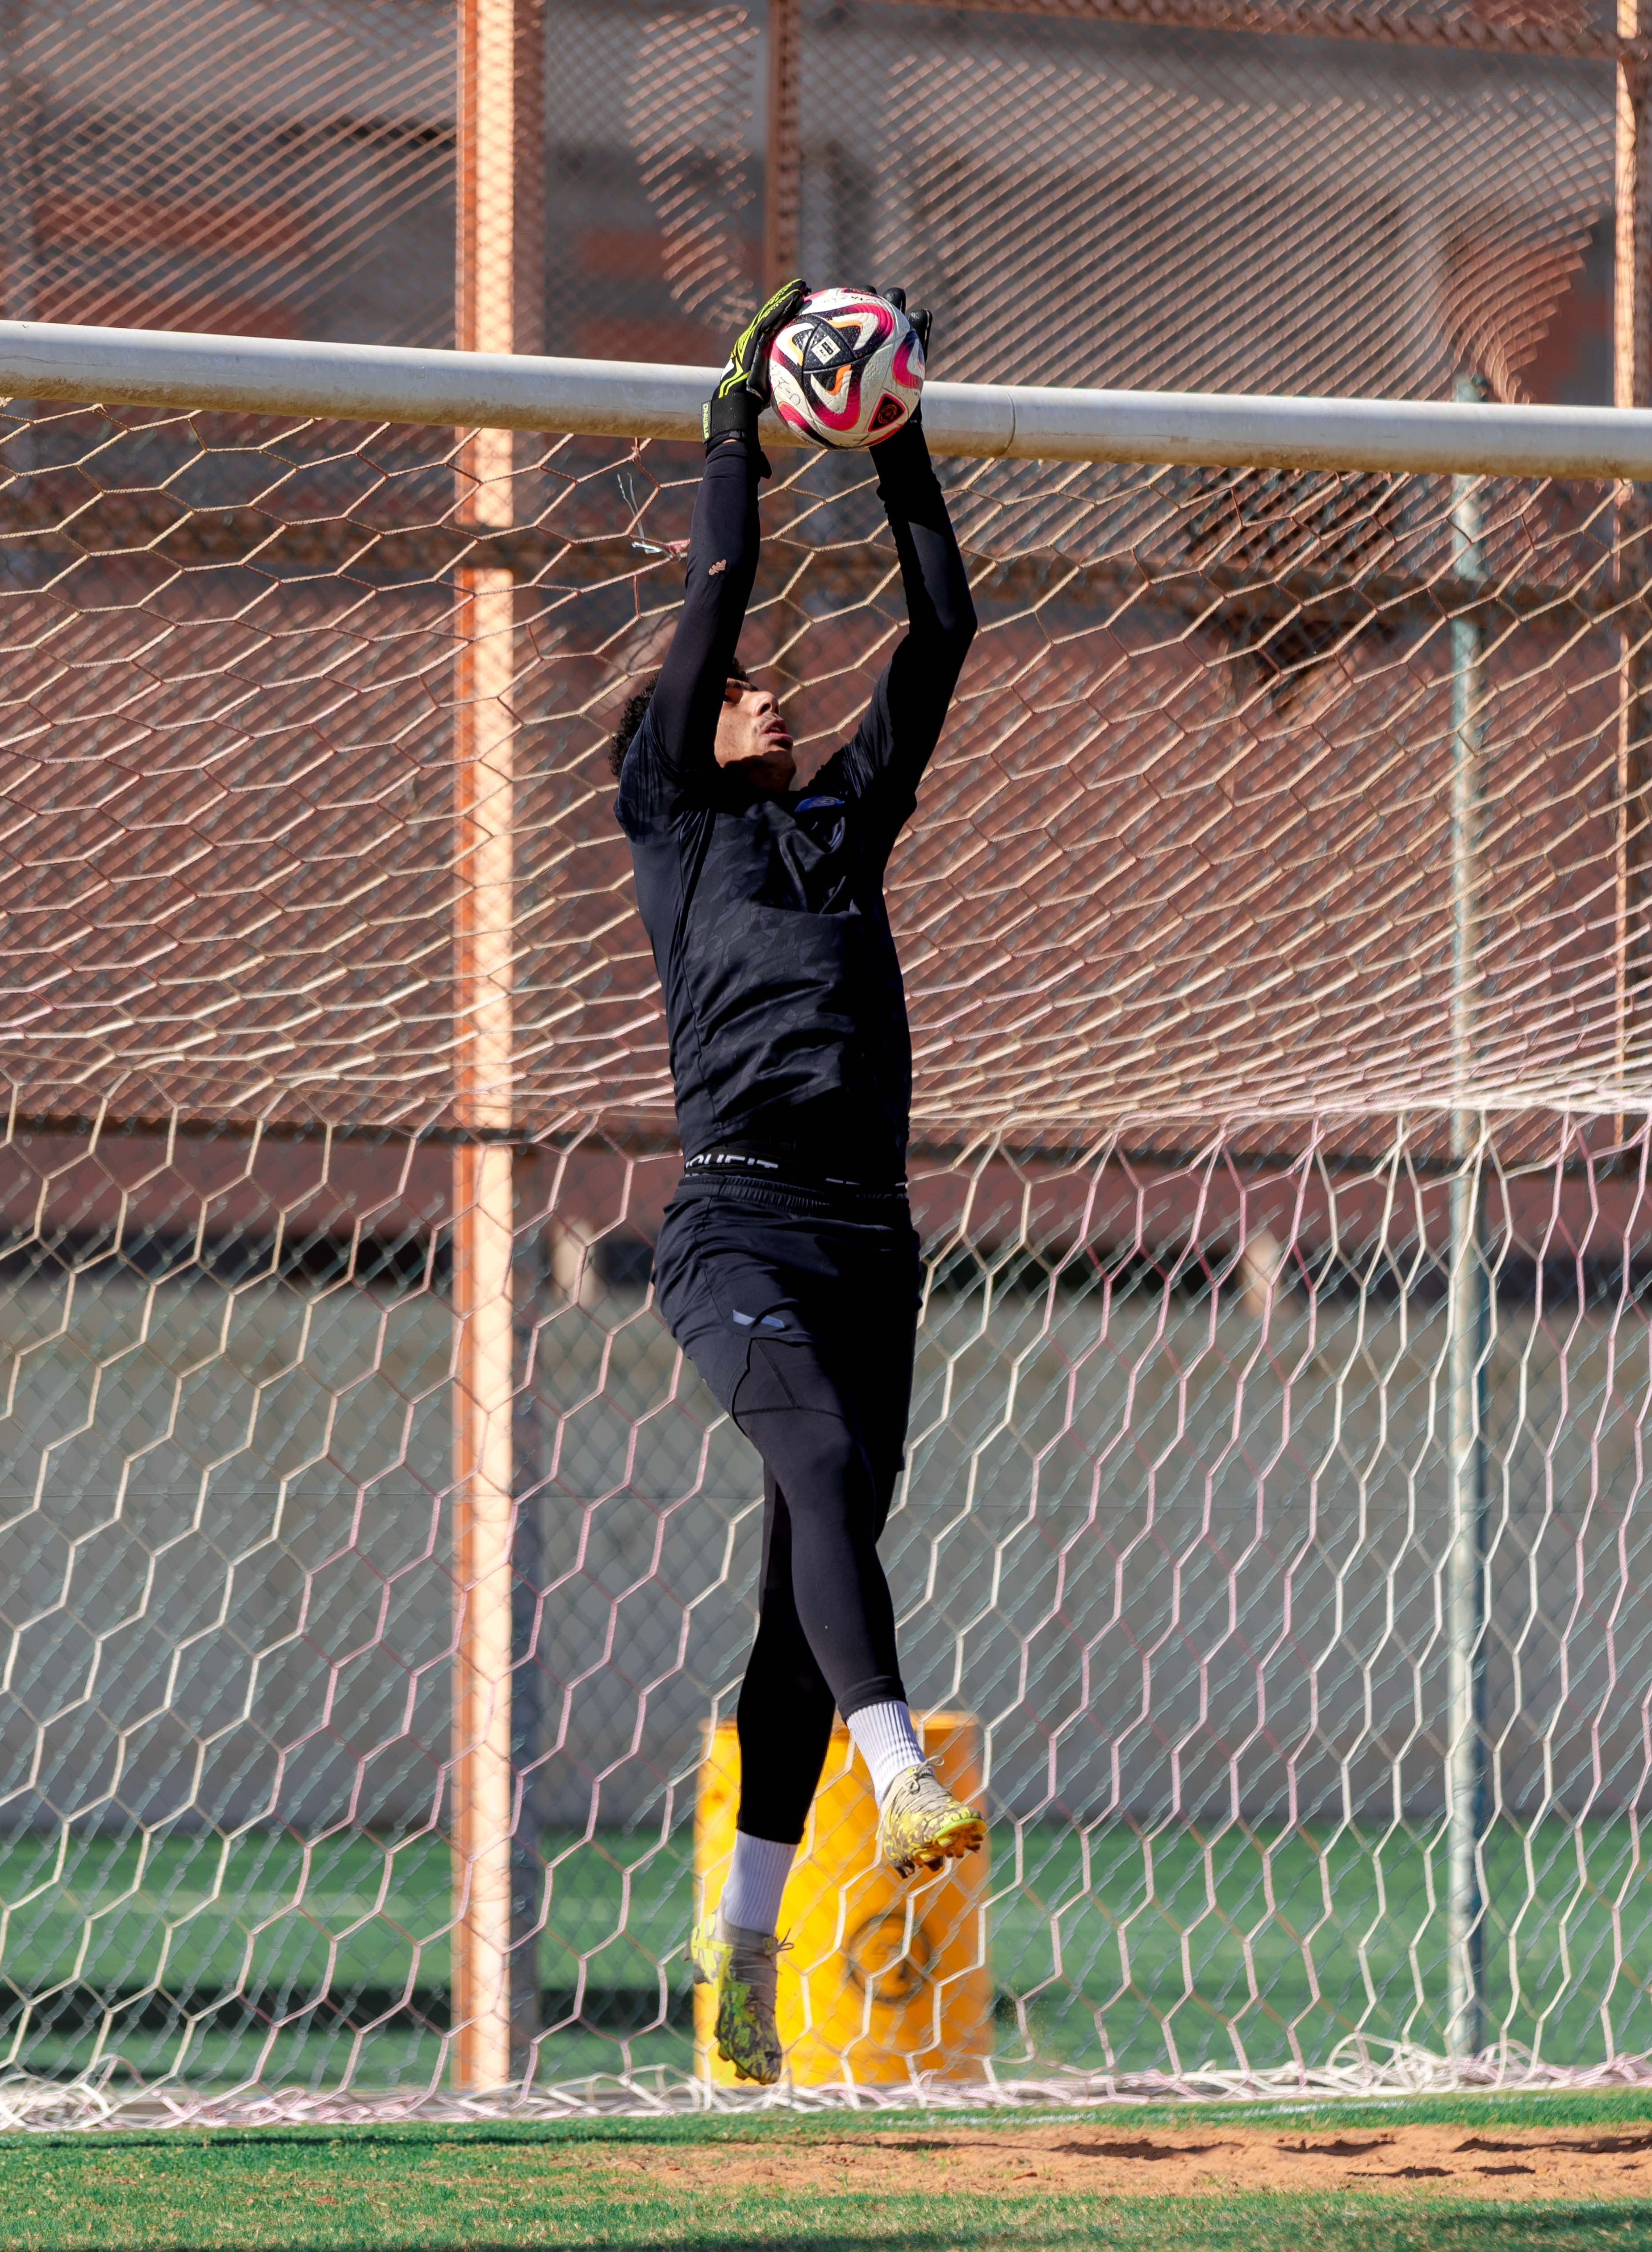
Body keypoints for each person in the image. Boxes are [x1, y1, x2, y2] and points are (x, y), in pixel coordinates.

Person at [610, 278, 981, 2085]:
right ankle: (902, 1774)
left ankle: (739, 1955)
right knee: (820, 1463)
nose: (758, 692)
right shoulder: (678, 829)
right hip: (736, 1218)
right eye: (729, 693)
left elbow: (944, 625)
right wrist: (735, 417)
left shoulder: (840, 830)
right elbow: (714, 594)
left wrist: (903, 449)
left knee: (792, 1601)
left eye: (762, 690)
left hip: (872, 1243)